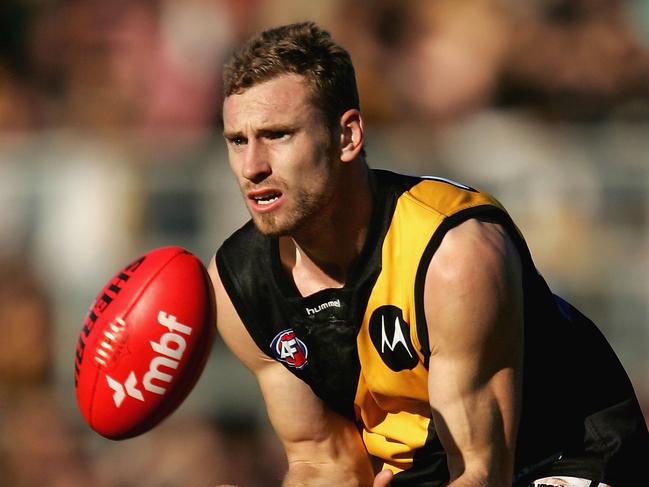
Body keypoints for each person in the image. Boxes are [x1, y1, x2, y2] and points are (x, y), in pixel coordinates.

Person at [208, 21, 648, 487]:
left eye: (277, 135)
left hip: (565, 459)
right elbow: (324, 463)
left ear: (347, 137)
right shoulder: (239, 285)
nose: (252, 167)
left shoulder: (453, 255)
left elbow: (482, 471)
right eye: (237, 141)